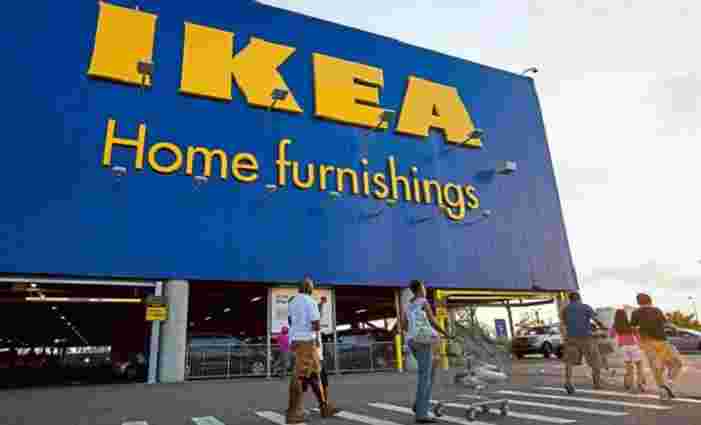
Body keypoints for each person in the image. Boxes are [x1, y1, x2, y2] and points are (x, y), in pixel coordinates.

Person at [285, 277, 339, 424]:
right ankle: (292, 413)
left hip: (296, 340)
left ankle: (324, 406)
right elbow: (316, 323)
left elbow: (290, 321)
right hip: (307, 341)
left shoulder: (293, 301)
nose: (312, 288)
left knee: (315, 374)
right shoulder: (310, 301)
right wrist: (315, 335)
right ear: (309, 288)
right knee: (299, 376)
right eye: (312, 286)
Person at [401, 280, 450, 424]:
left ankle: (419, 404)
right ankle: (422, 414)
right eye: (424, 287)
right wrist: (445, 333)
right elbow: (433, 321)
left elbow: (403, 325)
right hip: (423, 341)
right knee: (425, 377)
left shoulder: (408, 305)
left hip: (412, 341)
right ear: (420, 289)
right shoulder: (423, 301)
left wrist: (414, 332)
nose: (425, 290)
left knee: (430, 370)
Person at [630, 293, 683, 400]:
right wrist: (674, 328)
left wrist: (640, 340)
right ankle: (669, 383)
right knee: (676, 363)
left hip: (646, 343)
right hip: (661, 341)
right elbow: (666, 324)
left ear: (638, 302)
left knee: (656, 368)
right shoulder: (656, 310)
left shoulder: (635, 313)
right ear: (650, 300)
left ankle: (662, 392)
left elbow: (633, 328)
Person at [560, 292, 607, 394]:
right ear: (579, 298)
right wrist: (603, 327)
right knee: (595, 361)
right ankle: (596, 383)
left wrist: (565, 337)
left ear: (570, 299)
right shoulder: (586, 307)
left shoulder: (565, 310)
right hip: (586, 337)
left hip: (571, 338)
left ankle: (568, 382)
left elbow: (563, 324)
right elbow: (596, 319)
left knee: (569, 362)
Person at [609, 309, 646, 393]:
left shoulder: (616, 325)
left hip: (623, 347)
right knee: (639, 366)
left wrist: (614, 329)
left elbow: (611, 335)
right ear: (625, 316)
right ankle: (640, 384)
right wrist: (641, 345)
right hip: (634, 346)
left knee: (629, 368)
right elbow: (637, 335)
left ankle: (630, 386)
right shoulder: (629, 324)